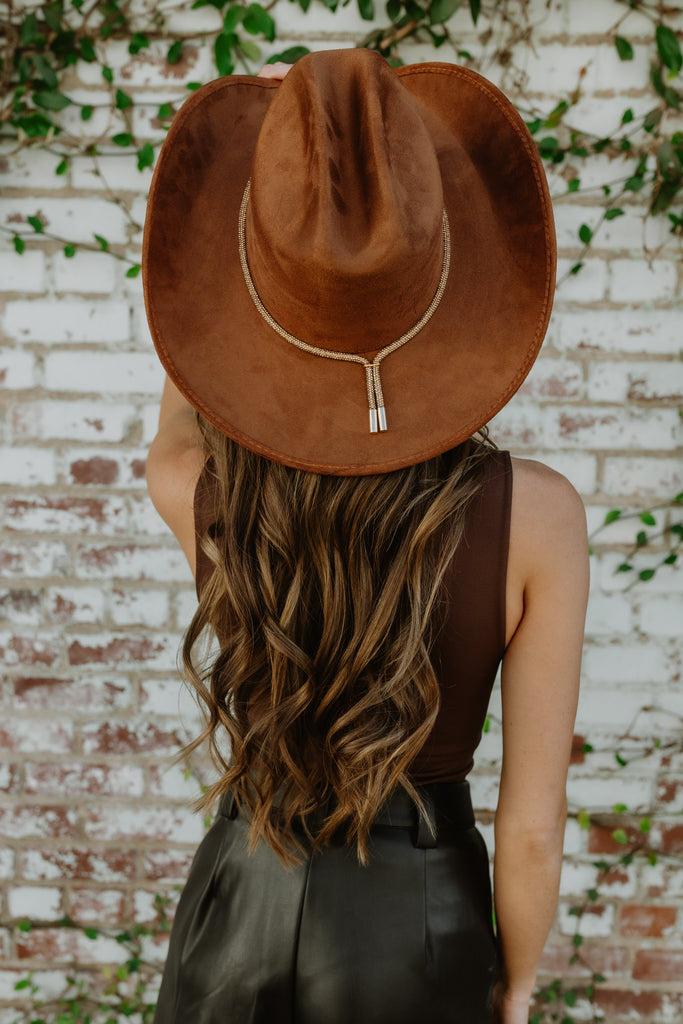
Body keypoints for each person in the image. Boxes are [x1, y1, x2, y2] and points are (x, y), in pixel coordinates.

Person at [142, 48, 589, 1024]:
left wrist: (211, 280)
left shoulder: (195, 489)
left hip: (241, 897)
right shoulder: (539, 517)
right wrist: (512, 982)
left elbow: (184, 402)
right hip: (423, 920)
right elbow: (529, 832)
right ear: (449, 280)